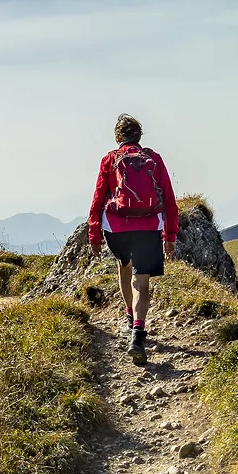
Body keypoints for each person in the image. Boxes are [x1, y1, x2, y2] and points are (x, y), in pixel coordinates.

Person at [87, 114, 179, 364]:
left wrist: (94, 232)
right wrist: (170, 235)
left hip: (116, 228)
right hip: (149, 225)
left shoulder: (110, 159)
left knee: (124, 268)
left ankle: (129, 315)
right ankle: (138, 333)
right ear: (139, 137)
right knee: (143, 282)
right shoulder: (154, 159)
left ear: (118, 137)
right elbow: (169, 199)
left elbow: (98, 198)